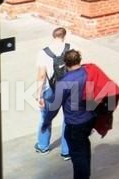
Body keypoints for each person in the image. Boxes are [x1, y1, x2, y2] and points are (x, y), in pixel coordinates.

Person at [52, 49, 95, 178]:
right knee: (84, 147)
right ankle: (85, 174)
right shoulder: (88, 73)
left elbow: (55, 105)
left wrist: (47, 121)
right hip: (89, 118)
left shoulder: (65, 81)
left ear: (65, 63)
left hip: (75, 123)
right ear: (79, 60)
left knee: (78, 155)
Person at [34, 27, 73, 158]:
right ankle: (66, 151)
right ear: (64, 36)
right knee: (68, 119)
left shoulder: (43, 53)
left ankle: (43, 146)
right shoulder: (72, 48)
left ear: (53, 36)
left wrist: (39, 94)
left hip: (51, 90)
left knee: (46, 117)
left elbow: (41, 75)